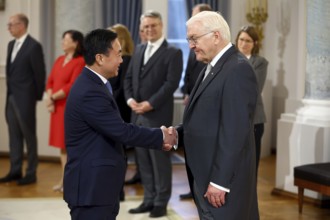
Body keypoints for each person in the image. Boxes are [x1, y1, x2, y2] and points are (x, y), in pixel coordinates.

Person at [63, 28, 176, 220]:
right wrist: (161, 136)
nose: (122, 60)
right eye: (118, 54)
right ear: (100, 58)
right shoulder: (90, 91)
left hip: (99, 186)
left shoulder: (95, 84)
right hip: (92, 188)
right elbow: (121, 131)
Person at [175, 11, 259, 219]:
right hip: (205, 172)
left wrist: (220, 182)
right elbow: (205, 119)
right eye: (189, 40)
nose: (191, 45)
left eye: (194, 39)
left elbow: (234, 132)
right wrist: (177, 134)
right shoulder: (212, 66)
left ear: (216, 36)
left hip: (222, 183)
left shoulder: (237, 69)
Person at [124, 10, 183, 218]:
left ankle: (160, 202)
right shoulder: (139, 49)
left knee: (160, 162)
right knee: (143, 161)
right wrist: (131, 101)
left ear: (161, 26)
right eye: (146, 26)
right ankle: (148, 199)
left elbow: (171, 84)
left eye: (153, 25)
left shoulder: (173, 52)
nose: (149, 29)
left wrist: (149, 104)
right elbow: (129, 79)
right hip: (137, 115)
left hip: (157, 115)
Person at [0, 13, 46, 185]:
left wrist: (35, 97)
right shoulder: (11, 44)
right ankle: (15, 170)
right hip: (11, 98)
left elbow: (40, 74)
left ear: (21, 25)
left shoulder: (34, 46)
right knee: (14, 136)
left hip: (26, 100)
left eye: (11, 24)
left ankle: (31, 172)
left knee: (29, 136)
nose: (8, 28)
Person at [180, 3, 212, 201]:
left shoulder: (211, 53)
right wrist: (186, 91)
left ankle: (201, 187)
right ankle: (194, 188)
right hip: (191, 98)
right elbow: (189, 73)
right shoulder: (196, 49)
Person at [45, 30, 85, 192]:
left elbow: (72, 85)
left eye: (65, 39)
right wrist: (50, 98)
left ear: (75, 43)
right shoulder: (59, 59)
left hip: (69, 108)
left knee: (71, 146)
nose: (62, 42)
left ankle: (72, 181)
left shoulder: (80, 61)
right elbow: (50, 81)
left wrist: (52, 98)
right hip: (57, 107)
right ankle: (64, 180)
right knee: (62, 147)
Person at [235, 26, 268, 176]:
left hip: (254, 119)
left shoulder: (260, 62)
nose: (243, 43)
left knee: (251, 164)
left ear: (255, 43)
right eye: (241, 39)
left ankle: (249, 199)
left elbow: (255, 88)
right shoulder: (228, 60)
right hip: (233, 119)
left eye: (248, 41)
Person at [108, 24, 134, 200]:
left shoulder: (127, 60)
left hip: (120, 110)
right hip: (112, 107)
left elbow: (123, 88)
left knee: (120, 152)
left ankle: (119, 191)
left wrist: (106, 99)